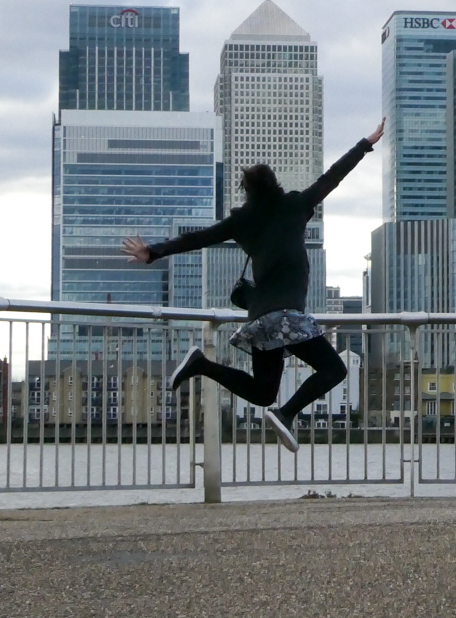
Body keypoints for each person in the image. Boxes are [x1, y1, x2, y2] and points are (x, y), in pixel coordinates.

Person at [121, 119, 385, 452]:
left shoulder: (242, 222)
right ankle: (287, 413)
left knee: (262, 392)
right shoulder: (295, 205)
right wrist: (364, 144)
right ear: (275, 185)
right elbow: (332, 177)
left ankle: (201, 364)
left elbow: (197, 238)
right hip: (287, 317)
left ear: (247, 193)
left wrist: (154, 252)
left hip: (261, 320)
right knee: (334, 369)